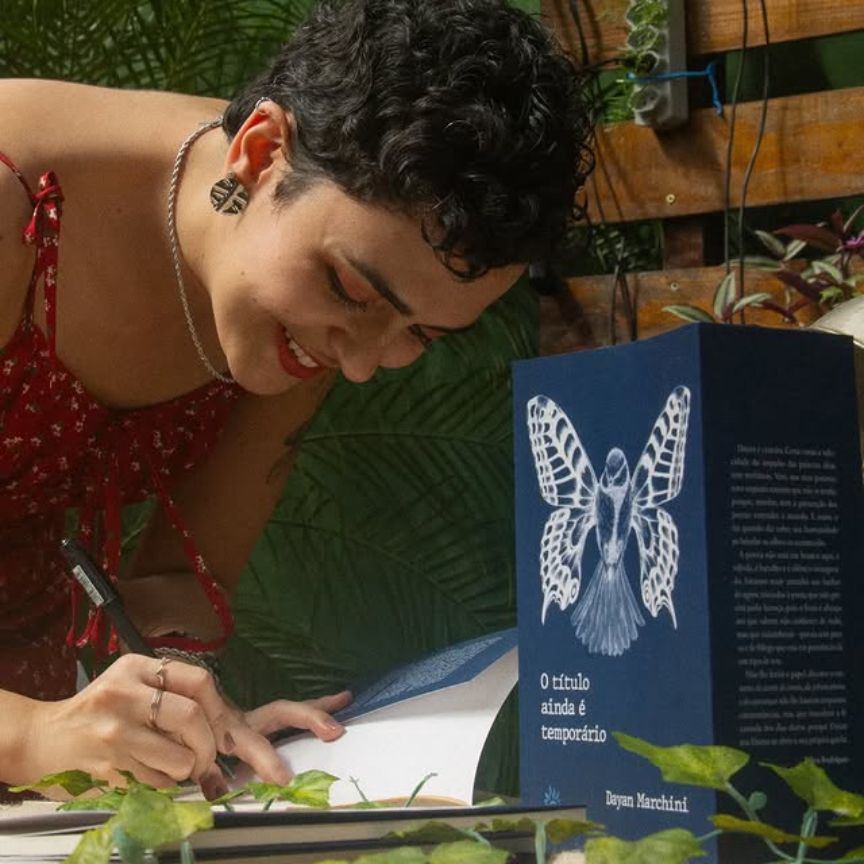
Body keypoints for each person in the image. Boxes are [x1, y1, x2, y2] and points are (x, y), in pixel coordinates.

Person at [0, 0, 590, 800]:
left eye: (421, 334)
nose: (360, 362)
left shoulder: (301, 308)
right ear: (260, 151)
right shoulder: (14, 198)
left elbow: (179, 575)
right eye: (351, 289)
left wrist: (184, 705)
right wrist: (30, 736)